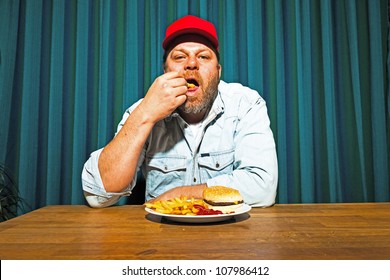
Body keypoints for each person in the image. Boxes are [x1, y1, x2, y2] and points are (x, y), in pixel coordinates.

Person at [82, 15, 278, 208]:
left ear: (218, 72)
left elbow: (262, 186)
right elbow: (98, 195)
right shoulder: (143, 110)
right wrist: (145, 115)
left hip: (229, 236)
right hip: (160, 236)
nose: (191, 64)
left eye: (202, 56)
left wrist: (180, 195)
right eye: (180, 56)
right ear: (165, 72)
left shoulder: (246, 104)